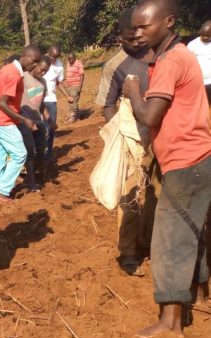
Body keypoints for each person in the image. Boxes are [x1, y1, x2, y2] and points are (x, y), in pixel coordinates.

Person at [122, 0, 211, 338]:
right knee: (194, 230)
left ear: (169, 21)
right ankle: (200, 294)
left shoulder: (172, 61)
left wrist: (132, 92)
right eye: (135, 28)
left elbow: (150, 116)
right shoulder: (179, 55)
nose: (139, 33)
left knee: (169, 240)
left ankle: (171, 321)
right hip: (200, 158)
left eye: (145, 27)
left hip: (185, 162)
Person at [95, 6, 159, 277]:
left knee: (158, 193)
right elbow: (107, 104)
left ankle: (148, 242)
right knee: (130, 195)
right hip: (133, 138)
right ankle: (128, 252)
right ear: (119, 37)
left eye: (138, 36)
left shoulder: (163, 55)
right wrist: (119, 133)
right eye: (127, 38)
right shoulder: (115, 65)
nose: (134, 42)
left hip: (165, 136)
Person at [0, 45, 42, 203]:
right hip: (4, 121)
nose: (35, 65)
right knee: (20, 154)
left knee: (0, 157)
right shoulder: (14, 75)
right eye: (34, 61)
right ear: (24, 56)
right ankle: (3, 190)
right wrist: (23, 119)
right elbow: (3, 104)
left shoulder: (7, 69)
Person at [18, 56, 52, 191]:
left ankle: (32, 177)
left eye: (46, 71)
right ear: (36, 65)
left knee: (41, 151)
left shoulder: (43, 82)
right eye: (41, 69)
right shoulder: (23, 77)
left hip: (38, 121)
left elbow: (41, 103)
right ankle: (30, 182)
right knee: (29, 152)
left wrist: (50, 120)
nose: (43, 73)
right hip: (24, 121)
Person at [42, 45, 72, 162]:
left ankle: (48, 155)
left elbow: (59, 83)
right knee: (42, 129)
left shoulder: (59, 65)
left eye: (56, 58)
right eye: (51, 57)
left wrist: (67, 96)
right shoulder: (40, 61)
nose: (53, 60)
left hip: (51, 101)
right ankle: (39, 155)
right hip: (39, 101)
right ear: (47, 53)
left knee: (51, 128)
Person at [187, 20, 211, 105]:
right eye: (202, 35)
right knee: (201, 104)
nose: (204, 38)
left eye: (208, 36)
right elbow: (187, 62)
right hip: (199, 81)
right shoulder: (192, 45)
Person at [64, 53, 85, 123]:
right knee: (71, 100)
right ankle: (77, 115)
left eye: (71, 58)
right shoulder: (68, 63)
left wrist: (80, 87)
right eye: (68, 59)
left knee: (72, 101)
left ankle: (73, 117)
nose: (70, 60)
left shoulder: (79, 64)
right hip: (69, 86)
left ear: (74, 57)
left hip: (75, 86)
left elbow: (82, 76)